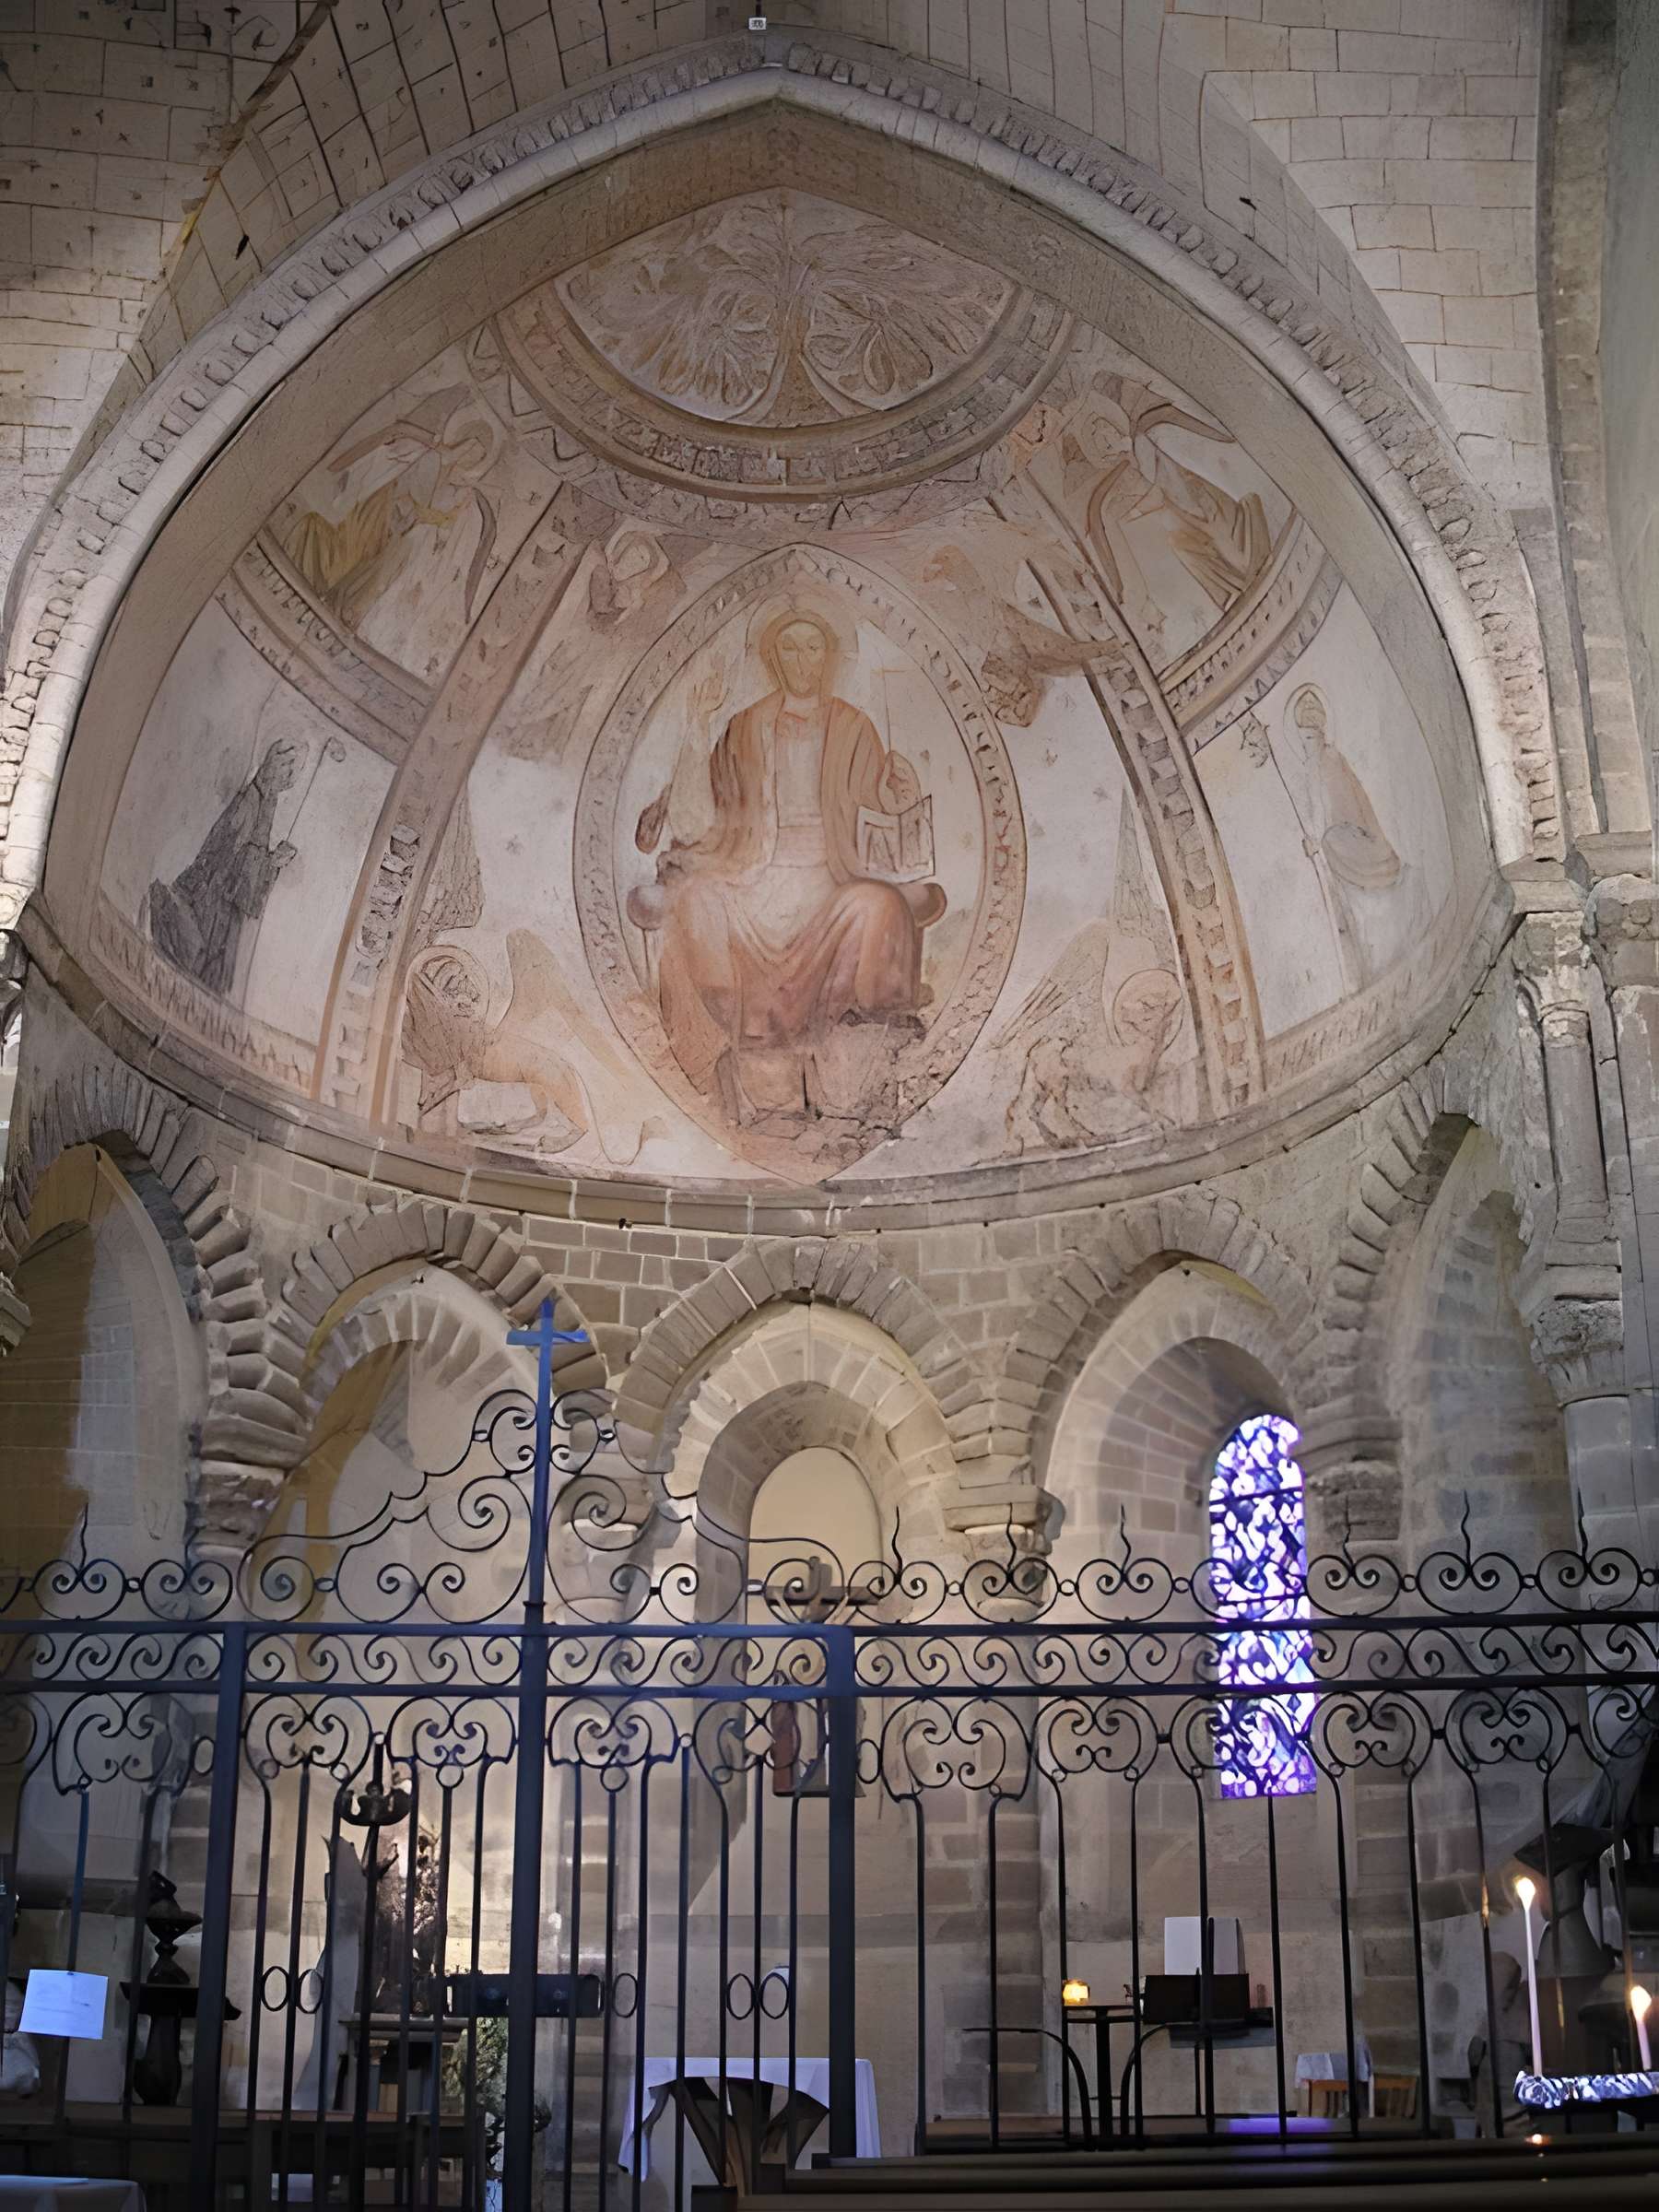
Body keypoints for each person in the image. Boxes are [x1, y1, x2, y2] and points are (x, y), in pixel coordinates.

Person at [629, 608, 944, 1121]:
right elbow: (697, 820)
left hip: (833, 875)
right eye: (792, 649)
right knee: (701, 900)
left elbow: (875, 806)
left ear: (829, 658)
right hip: (755, 873)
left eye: (814, 648)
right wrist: (698, 724)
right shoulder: (744, 727)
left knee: (880, 904)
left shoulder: (854, 726)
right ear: (774, 658)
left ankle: (856, 1052)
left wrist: (897, 797)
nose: (804, 661)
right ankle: (742, 1051)